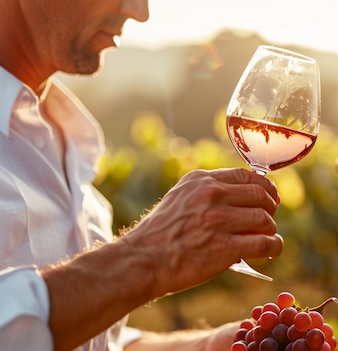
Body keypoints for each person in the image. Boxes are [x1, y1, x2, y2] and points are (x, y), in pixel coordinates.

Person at [0, 0, 284, 350]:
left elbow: (99, 343)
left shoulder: (69, 142)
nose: (139, 11)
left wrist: (209, 345)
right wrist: (143, 258)